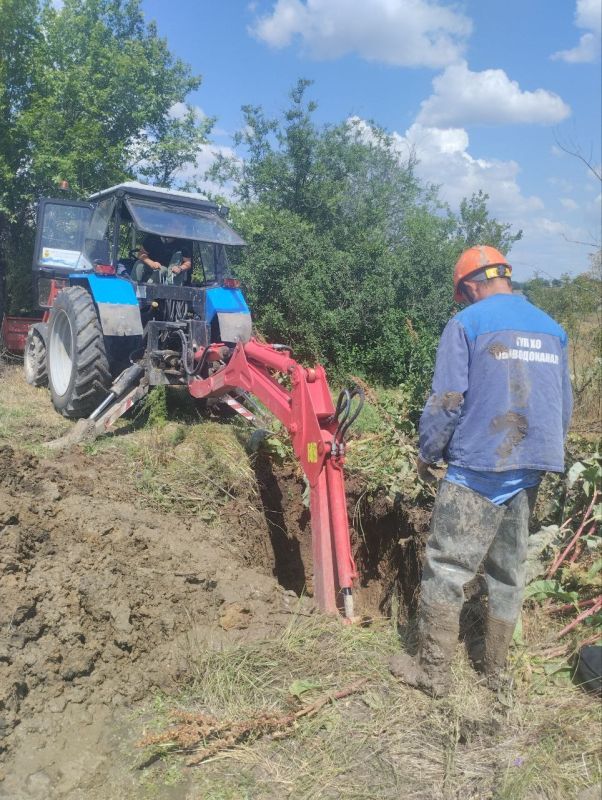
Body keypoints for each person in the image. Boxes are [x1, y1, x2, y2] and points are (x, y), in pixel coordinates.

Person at [390, 245, 573, 696]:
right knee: (509, 571)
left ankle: (432, 674)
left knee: (448, 567)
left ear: (471, 285)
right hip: (530, 466)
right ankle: (495, 671)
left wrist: (428, 451)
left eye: (464, 294)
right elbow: (563, 406)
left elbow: (448, 400)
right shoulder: (553, 330)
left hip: (479, 467)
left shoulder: (466, 324)